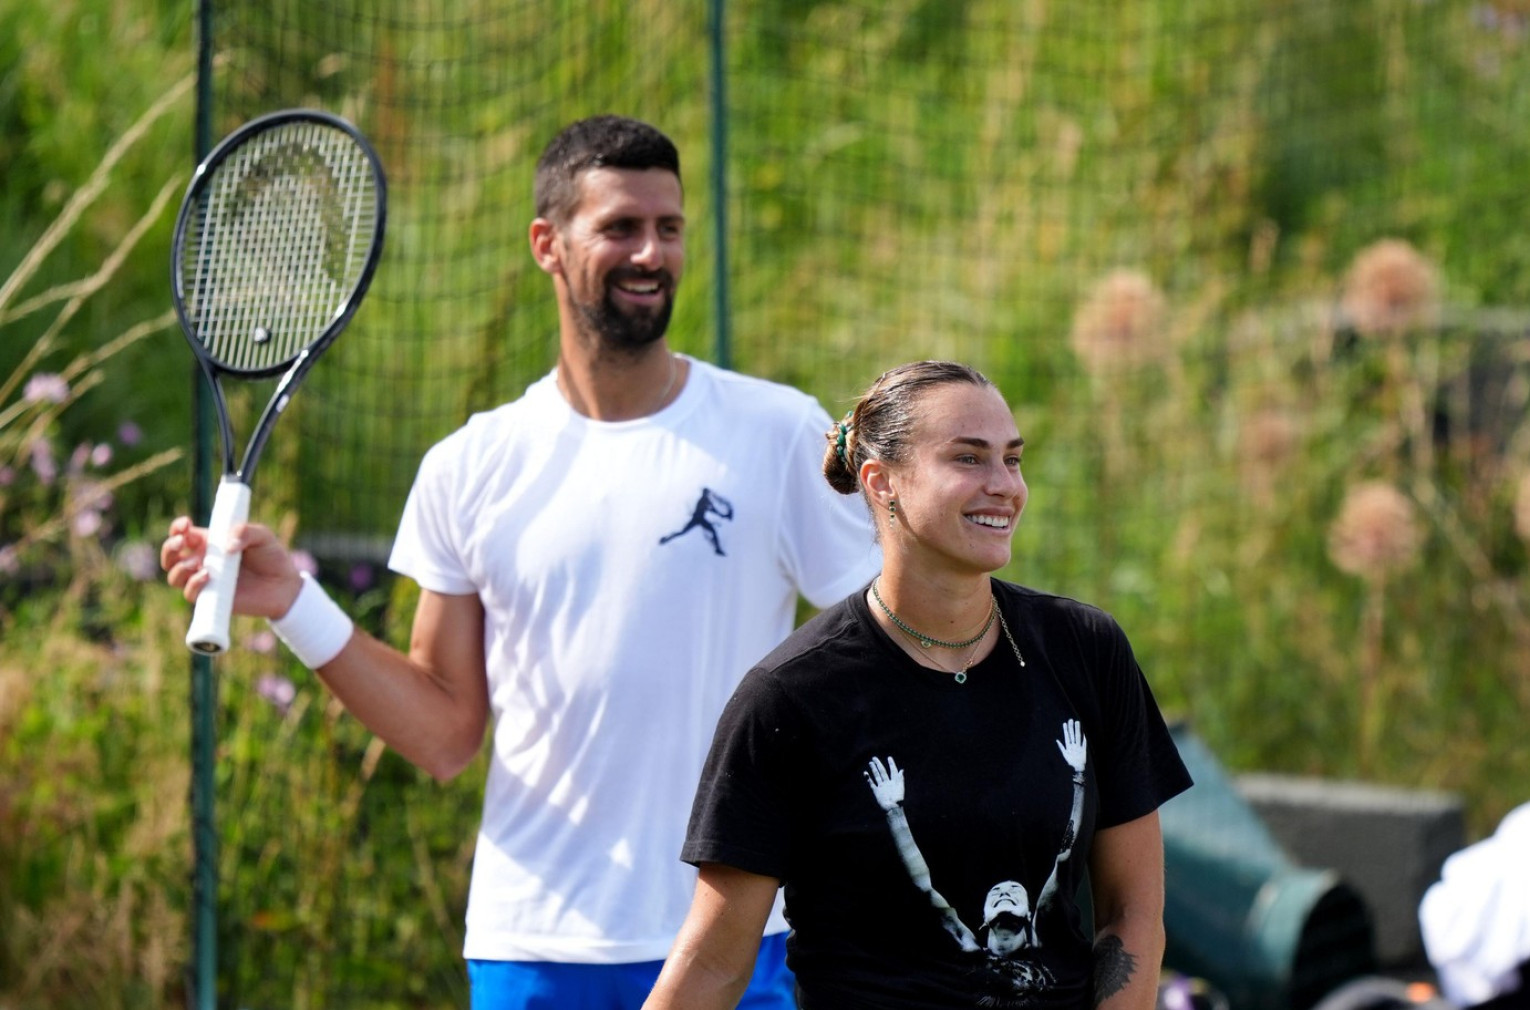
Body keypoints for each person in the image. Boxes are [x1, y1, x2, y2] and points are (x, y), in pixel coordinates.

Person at [160, 114, 881, 1009]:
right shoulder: (470, 464)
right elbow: (445, 732)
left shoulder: (778, 433)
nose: (651, 253)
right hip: (531, 946)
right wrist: (290, 601)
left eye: (669, 227)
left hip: (736, 942)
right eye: (620, 227)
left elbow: (892, 636)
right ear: (547, 243)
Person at [643, 360, 1193, 1010]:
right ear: (883, 483)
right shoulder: (790, 699)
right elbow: (712, 963)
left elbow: (1132, 915)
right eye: (968, 459)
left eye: (1012, 460)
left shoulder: (1087, 652)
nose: (1004, 487)